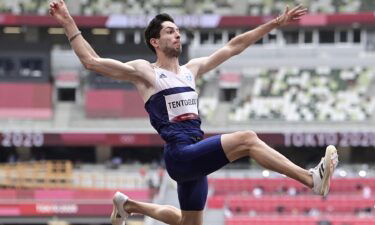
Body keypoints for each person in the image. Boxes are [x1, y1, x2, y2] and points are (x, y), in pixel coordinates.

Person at [49, 1, 338, 225]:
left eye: (178, 31)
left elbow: (234, 46)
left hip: (194, 154)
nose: (177, 35)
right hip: (180, 155)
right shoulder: (146, 73)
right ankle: (310, 178)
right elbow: (91, 61)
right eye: (169, 31)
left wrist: (275, 23)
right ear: (155, 42)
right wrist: (67, 21)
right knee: (247, 139)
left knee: (188, 222)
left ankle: (129, 205)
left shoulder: (191, 71)